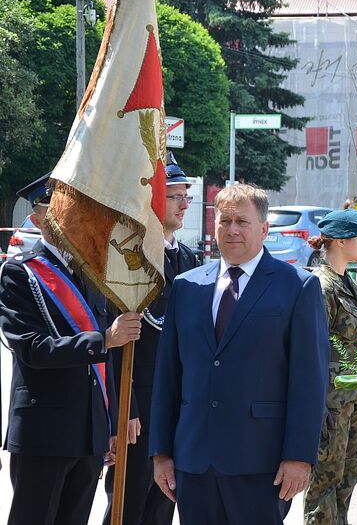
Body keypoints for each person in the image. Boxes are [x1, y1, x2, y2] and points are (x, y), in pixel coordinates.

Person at [149, 184, 330, 524]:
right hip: (194, 460)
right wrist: (161, 452)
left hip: (261, 462)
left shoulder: (297, 286)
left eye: (242, 222)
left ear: (263, 228)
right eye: (225, 221)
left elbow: (310, 380)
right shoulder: (187, 287)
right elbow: (168, 376)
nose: (232, 229)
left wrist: (299, 456)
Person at [0, 174, 142, 525]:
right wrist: (104, 340)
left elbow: (105, 363)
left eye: (77, 209)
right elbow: (32, 349)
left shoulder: (91, 274)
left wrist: (109, 422)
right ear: (36, 219)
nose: (71, 218)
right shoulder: (21, 274)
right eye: (58, 209)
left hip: (88, 431)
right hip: (44, 431)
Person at [102, 153, 198, 525]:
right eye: (175, 196)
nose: (184, 204)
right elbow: (117, 340)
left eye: (186, 196)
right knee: (128, 503)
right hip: (139, 405)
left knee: (165, 500)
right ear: (155, 200)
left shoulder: (188, 259)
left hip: (177, 404)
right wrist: (126, 407)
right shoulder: (129, 259)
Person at [305, 209, 357, 524]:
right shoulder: (321, 286)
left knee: (347, 477)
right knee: (324, 484)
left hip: (354, 397)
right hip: (329, 403)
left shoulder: (349, 283)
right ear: (342, 241)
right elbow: (311, 350)